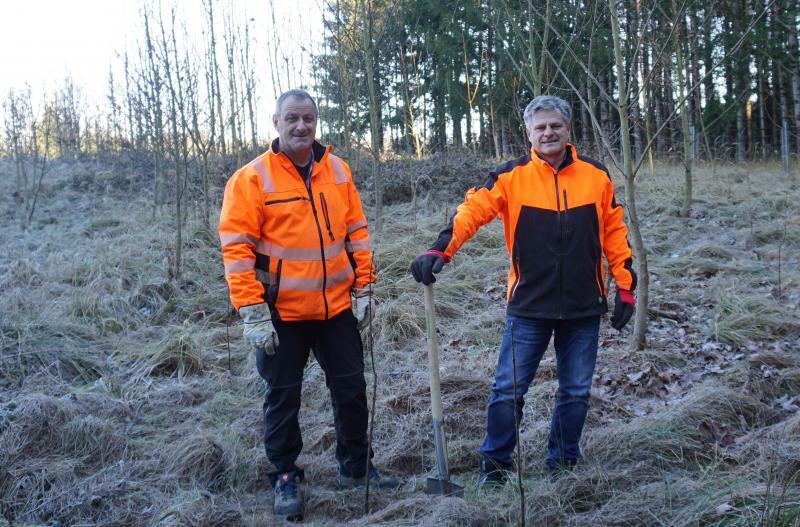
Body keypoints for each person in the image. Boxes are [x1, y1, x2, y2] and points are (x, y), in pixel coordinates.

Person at [410, 95, 636, 484]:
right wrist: (439, 249)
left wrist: (626, 288)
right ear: (528, 133)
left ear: (568, 130)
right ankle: (495, 466)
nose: (548, 132)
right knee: (507, 390)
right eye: (540, 127)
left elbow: (615, 234)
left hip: (583, 306)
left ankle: (562, 463)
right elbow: (471, 213)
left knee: (576, 391)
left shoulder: (595, 176)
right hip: (529, 304)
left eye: (555, 126)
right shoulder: (509, 177)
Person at [219, 89, 398, 520]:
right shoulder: (252, 178)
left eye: (309, 119)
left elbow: (357, 231)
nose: (301, 126)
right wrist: (252, 310)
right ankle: (285, 475)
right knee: (283, 397)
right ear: (276, 122)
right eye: (292, 118)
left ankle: (356, 467)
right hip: (280, 314)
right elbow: (237, 249)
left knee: (352, 390)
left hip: (336, 307)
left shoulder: (337, 170)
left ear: (316, 122)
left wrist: (366, 287)